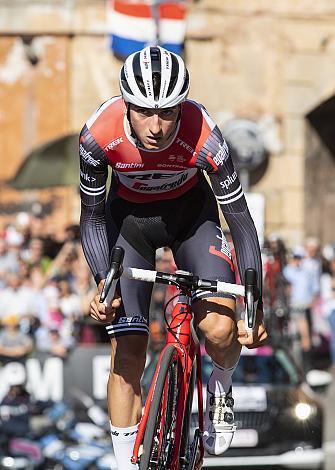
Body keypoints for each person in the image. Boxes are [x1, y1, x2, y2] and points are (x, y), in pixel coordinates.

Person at [79, 46, 267, 468]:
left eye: (168, 112)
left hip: (192, 223)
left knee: (219, 330)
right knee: (127, 351)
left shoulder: (205, 135)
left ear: (182, 106)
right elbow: (91, 217)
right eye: (144, 112)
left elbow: (239, 219)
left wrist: (254, 305)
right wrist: (102, 281)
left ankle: (221, 383)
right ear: (126, 104)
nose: (157, 126)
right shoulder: (97, 135)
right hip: (130, 228)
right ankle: (127, 462)